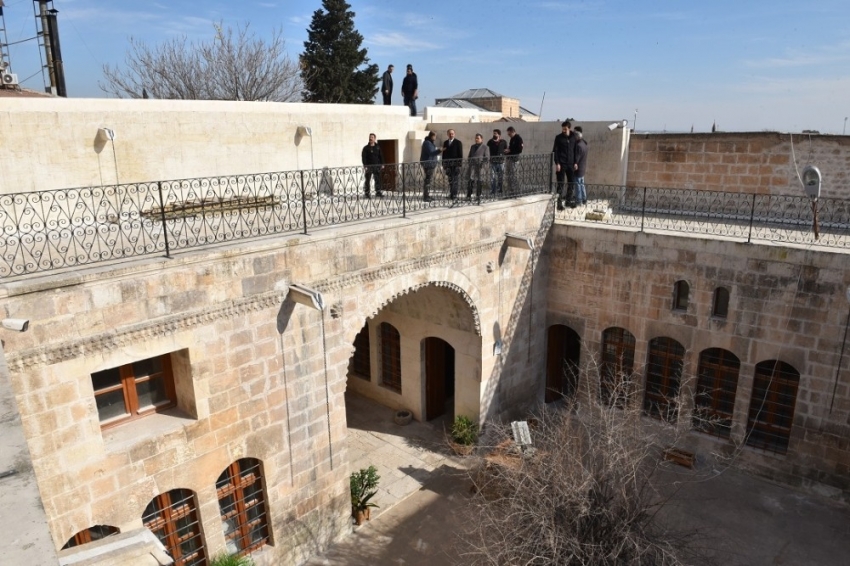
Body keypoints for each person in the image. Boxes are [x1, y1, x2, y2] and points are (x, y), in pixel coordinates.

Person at [553, 121, 578, 209]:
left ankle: (568, 201)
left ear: (569, 129)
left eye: (565, 129)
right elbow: (555, 151)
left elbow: (576, 151)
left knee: (571, 183)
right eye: (563, 129)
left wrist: (576, 162)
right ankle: (559, 204)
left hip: (571, 164)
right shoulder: (558, 138)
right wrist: (557, 163)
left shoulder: (574, 137)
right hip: (562, 164)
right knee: (560, 184)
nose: (563, 130)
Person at [466, 133, 490, 200]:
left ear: (481, 139)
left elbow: (487, 157)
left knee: (480, 181)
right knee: (470, 180)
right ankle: (468, 195)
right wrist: (469, 162)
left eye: (478, 138)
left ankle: (478, 195)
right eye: (476, 138)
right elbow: (470, 155)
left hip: (480, 166)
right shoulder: (472, 146)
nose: (476, 139)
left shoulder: (485, 147)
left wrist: (482, 164)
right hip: (472, 166)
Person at [442, 129, 463, 199]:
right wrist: (443, 164)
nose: (451, 135)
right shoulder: (445, 143)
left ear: (454, 134)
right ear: (447, 134)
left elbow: (460, 155)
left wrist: (459, 165)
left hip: (455, 165)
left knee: (455, 180)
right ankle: (451, 194)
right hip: (448, 165)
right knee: (450, 180)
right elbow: (444, 154)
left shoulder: (458, 143)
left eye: (452, 134)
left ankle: (454, 195)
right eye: (450, 134)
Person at [420, 131, 441, 202]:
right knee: (428, 180)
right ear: (431, 136)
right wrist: (440, 150)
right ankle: (426, 196)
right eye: (435, 136)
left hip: (431, 164)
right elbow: (431, 153)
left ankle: (427, 195)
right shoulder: (427, 143)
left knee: (429, 180)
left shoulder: (430, 143)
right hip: (428, 164)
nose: (435, 137)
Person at [361, 133, 384, 198]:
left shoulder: (378, 147)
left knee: (377, 179)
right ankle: (367, 193)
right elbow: (363, 157)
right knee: (367, 180)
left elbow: (381, 156)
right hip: (369, 167)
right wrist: (365, 166)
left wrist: (382, 164)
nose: (370, 138)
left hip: (377, 166)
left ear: (374, 138)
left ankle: (378, 192)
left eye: (372, 137)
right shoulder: (366, 148)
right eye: (370, 137)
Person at [487, 129, 507, 195]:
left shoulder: (503, 142)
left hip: (501, 162)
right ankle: (493, 191)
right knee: (493, 177)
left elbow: (505, 149)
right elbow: (488, 145)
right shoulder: (490, 142)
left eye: (495, 133)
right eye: (493, 133)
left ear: (499, 135)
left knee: (500, 177)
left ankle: (500, 190)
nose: (494, 134)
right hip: (493, 162)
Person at [505, 126, 523, 194]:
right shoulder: (512, 139)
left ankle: (516, 190)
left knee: (514, 175)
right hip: (509, 159)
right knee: (508, 175)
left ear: (513, 132)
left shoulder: (518, 139)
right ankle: (510, 190)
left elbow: (519, 150)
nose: (509, 135)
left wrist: (510, 150)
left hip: (514, 160)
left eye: (509, 134)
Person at [574, 126, 589, 205]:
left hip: (579, 168)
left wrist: (575, 164)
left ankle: (578, 201)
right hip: (583, 167)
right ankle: (584, 199)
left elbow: (577, 158)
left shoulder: (579, 146)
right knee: (582, 184)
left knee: (578, 185)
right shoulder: (584, 144)